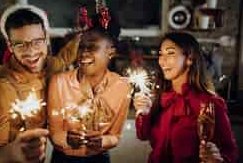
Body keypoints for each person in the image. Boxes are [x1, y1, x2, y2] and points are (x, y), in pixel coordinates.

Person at [0, 4, 81, 163]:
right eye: (20, 44)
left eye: (37, 41)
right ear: (10, 46)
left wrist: (83, 36)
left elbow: (64, 57)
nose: (31, 52)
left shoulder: (50, 66)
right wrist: (12, 153)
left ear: (46, 39)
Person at [134, 32, 238, 163]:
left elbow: (231, 153)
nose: (162, 60)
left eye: (170, 53)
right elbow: (142, 135)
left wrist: (218, 159)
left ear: (189, 58)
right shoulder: (159, 97)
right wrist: (143, 112)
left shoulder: (210, 103)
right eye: (160, 54)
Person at [47, 28, 131, 163]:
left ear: (111, 52)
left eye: (92, 47)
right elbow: (54, 132)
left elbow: (115, 136)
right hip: (63, 158)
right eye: (81, 47)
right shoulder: (59, 82)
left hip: (100, 159)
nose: (84, 52)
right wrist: (67, 139)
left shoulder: (122, 86)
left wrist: (102, 141)